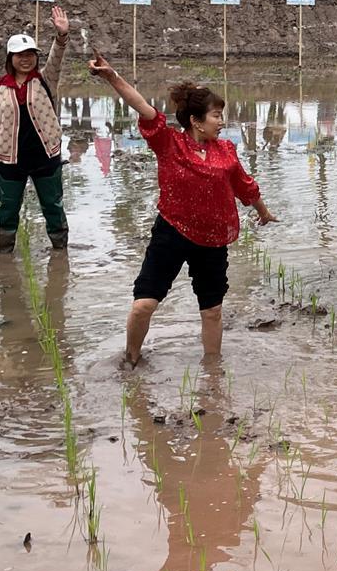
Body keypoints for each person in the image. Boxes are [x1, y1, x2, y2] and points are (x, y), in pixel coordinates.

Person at [87, 59, 277, 365]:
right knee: (143, 306)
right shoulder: (169, 143)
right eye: (217, 115)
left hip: (213, 241)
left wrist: (264, 213)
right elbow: (141, 105)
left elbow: (245, 186)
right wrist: (112, 77)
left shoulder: (225, 150)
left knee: (212, 310)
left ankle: (213, 371)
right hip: (171, 232)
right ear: (196, 120)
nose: (221, 121)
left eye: (221, 115)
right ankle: (131, 359)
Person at [0, 7, 72, 252]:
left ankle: (60, 252)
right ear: (10, 57)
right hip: (10, 159)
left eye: (30, 54)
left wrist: (61, 36)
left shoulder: (44, 79)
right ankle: (5, 253)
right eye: (19, 55)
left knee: (53, 205)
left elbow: (57, 58)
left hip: (45, 155)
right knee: (7, 208)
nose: (25, 59)